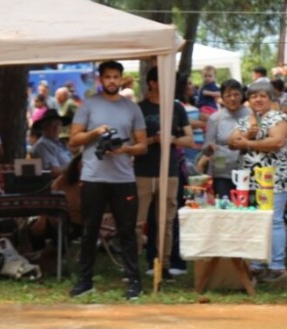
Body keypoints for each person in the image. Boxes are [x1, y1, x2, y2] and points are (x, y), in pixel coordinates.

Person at [68, 60, 147, 300]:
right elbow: (73, 140)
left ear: (122, 79)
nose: (112, 81)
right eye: (108, 77)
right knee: (90, 229)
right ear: (100, 79)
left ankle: (134, 282)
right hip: (93, 176)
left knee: (127, 231)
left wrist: (125, 150)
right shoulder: (88, 105)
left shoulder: (132, 108)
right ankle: (85, 281)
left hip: (123, 178)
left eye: (116, 77)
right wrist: (95, 133)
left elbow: (142, 145)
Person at [133, 67, 194, 281]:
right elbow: (132, 142)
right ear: (152, 83)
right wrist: (152, 140)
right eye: (163, 80)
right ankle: (133, 267)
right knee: (138, 221)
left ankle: (163, 265)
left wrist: (172, 140)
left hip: (170, 171)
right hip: (143, 171)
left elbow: (190, 139)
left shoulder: (177, 108)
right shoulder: (139, 108)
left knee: (166, 221)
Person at [227, 80, 287, 282]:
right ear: (249, 100)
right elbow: (231, 141)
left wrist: (249, 143)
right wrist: (245, 135)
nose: (257, 99)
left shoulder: (279, 118)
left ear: (270, 98)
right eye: (253, 96)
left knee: (274, 221)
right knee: (253, 220)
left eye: (262, 96)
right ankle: (256, 264)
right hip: (248, 181)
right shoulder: (246, 120)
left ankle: (277, 265)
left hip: (274, 180)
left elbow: (277, 142)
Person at [205, 79, 249, 198]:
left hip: (246, 171)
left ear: (242, 95)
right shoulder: (215, 118)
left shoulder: (251, 115)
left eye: (236, 94)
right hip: (221, 171)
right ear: (222, 98)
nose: (232, 98)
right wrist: (209, 147)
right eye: (228, 95)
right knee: (224, 206)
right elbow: (205, 148)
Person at [30, 109, 72, 176]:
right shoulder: (43, 145)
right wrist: (74, 169)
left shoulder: (60, 144)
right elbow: (54, 171)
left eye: (58, 124)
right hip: (56, 184)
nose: (56, 128)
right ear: (44, 127)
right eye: (52, 125)